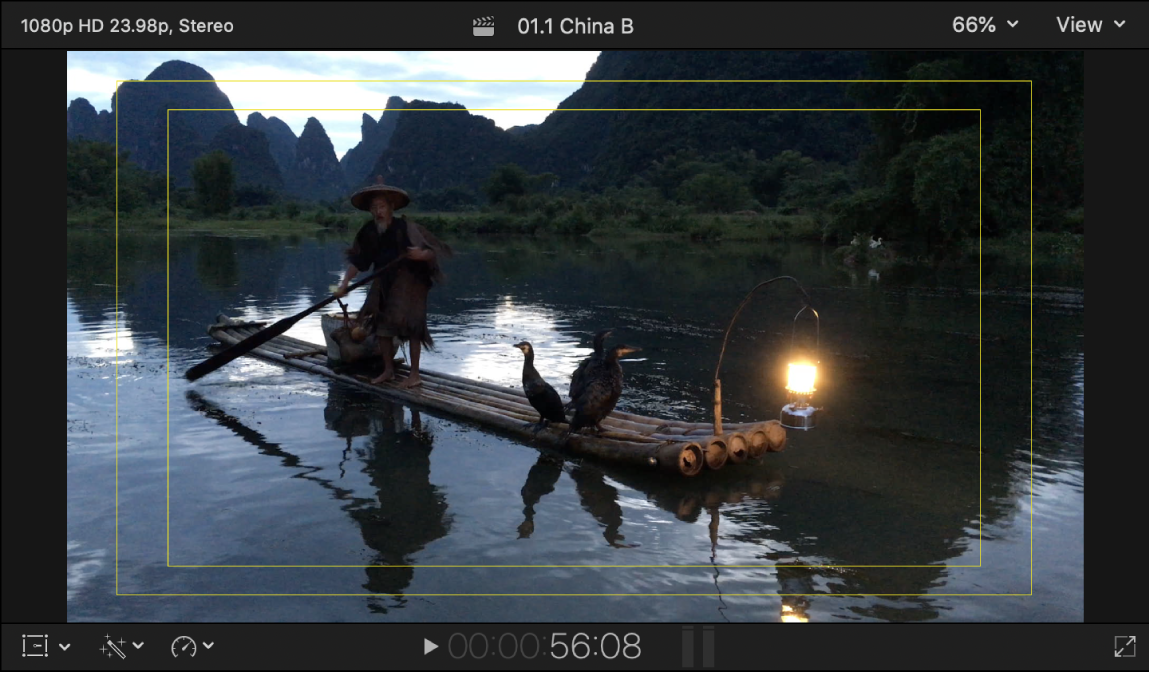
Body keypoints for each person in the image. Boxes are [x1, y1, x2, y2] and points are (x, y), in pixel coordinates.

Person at [334, 177, 450, 388]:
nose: (378, 211)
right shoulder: (369, 232)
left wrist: (421, 255)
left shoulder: (406, 227)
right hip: (383, 283)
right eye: (374, 207)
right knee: (382, 328)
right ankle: (388, 370)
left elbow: (431, 251)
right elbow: (359, 261)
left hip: (411, 284)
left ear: (391, 207)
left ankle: (414, 375)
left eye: (382, 206)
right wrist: (344, 283)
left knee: (414, 327)